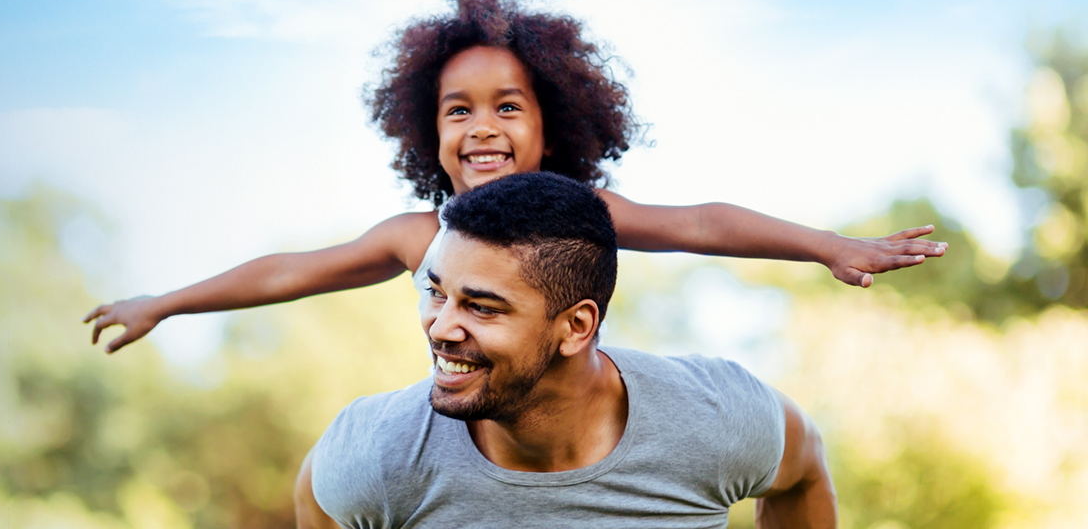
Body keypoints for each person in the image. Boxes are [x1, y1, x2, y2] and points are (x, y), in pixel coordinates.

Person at [84, 0, 944, 354]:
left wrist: (832, 244)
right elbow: (289, 271)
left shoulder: (577, 210)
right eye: (459, 109)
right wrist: (165, 301)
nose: (482, 127)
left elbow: (701, 223)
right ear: (429, 131)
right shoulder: (419, 234)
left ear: (550, 123)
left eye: (508, 105)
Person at [294, 172, 835, 528]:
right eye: (437, 293)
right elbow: (316, 494)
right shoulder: (383, 451)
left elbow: (804, 462)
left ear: (576, 326)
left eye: (481, 307)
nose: (441, 328)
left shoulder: (713, 416)